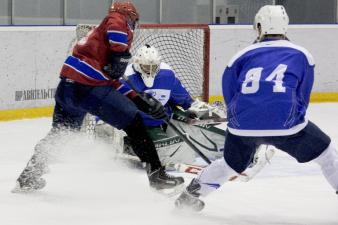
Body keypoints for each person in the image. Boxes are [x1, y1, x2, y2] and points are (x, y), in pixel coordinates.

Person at [174, 5, 338, 211]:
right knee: (327, 155)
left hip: (242, 128)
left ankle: (188, 198)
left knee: (229, 165)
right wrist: (286, 118)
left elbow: (230, 93)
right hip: (288, 127)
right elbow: (303, 95)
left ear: (259, 27)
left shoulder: (240, 55)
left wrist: (240, 119)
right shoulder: (302, 54)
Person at [13, 1, 184, 193]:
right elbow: (115, 24)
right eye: (133, 20)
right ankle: (157, 175)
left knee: (60, 134)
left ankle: (29, 175)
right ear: (129, 16)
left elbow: (112, 80)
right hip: (88, 89)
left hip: (67, 89)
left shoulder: (98, 46)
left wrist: (138, 100)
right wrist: (121, 53)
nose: (133, 25)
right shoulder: (117, 21)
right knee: (134, 122)